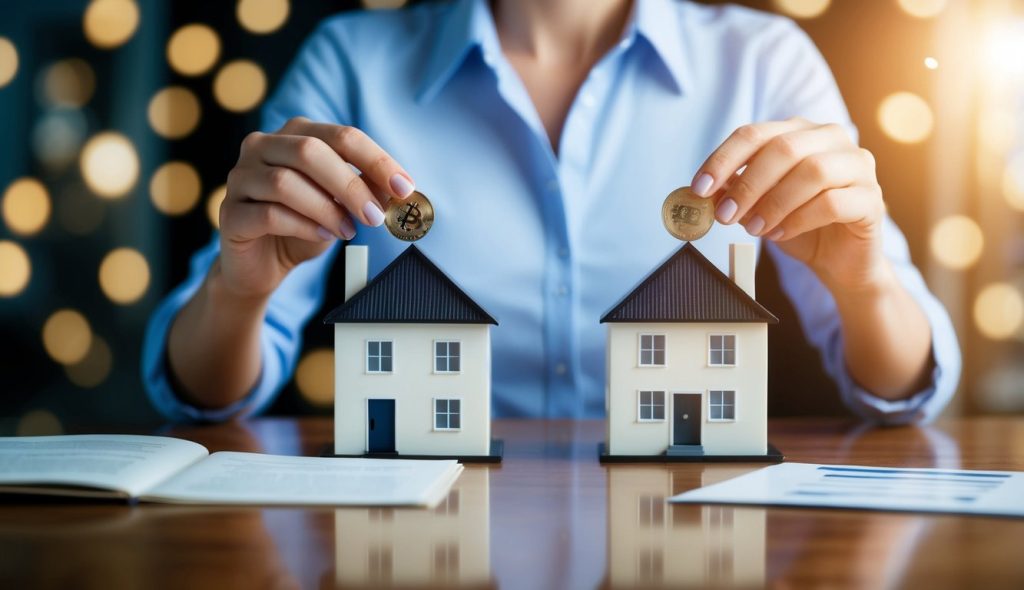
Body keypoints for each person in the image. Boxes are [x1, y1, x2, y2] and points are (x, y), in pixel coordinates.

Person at [142, 0, 960, 422]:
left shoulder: (767, 61)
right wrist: (239, 288)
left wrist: (866, 285)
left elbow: (899, 386)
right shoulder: (352, 62)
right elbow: (207, 395)